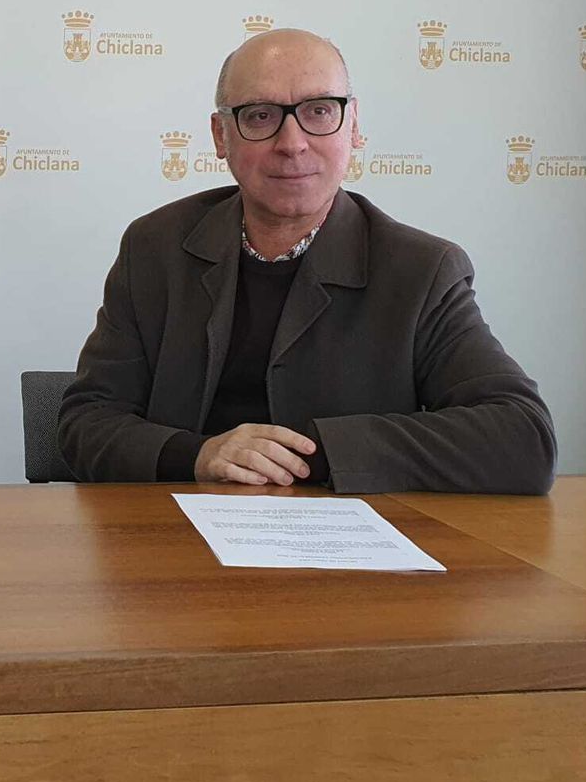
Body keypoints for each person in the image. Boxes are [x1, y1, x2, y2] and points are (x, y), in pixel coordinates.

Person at [58, 27, 555, 495]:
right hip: (171, 539)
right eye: (260, 115)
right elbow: (87, 422)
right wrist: (201, 455)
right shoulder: (155, 247)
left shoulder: (421, 269)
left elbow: (522, 438)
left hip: (348, 558)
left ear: (353, 127)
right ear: (219, 136)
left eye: (319, 112)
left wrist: (304, 457)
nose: (292, 143)